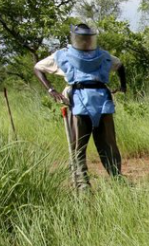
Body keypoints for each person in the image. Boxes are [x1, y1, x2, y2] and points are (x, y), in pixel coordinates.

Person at [34, 23, 127, 192]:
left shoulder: (101, 55)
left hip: (99, 101)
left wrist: (123, 86)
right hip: (81, 101)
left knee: (102, 144)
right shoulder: (64, 55)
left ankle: (112, 178)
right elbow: (38, 68)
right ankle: (83, 184)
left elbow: (120, 65)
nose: (85, 41)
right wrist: (51, 90)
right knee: (81, 145)